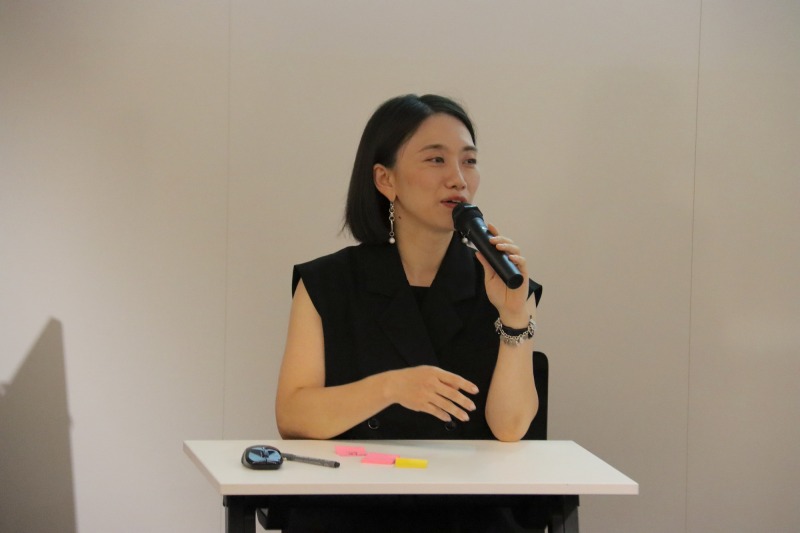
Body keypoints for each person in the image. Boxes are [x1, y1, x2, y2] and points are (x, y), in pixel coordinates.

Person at [274, 94, 543, 532]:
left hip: (468, 509)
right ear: (385, 179)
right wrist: (392, 387)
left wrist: (514, 317)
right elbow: (293, 417)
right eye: (436, 160)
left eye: (469, 161)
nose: (458, 179)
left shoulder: (500, 282)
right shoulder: (329, 282)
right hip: (350, 506)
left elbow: (510, 428)